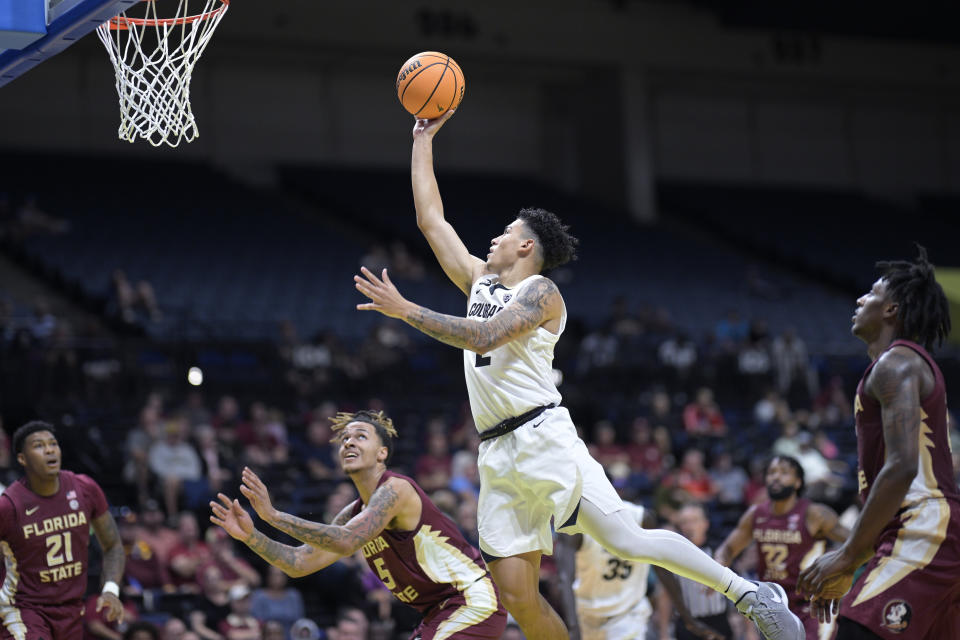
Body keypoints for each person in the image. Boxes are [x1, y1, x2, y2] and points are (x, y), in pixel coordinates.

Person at [350, 109, 804, 640]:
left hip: (542, 438)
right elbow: (432, 219)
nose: (492, 239)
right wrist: (422, 140)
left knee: (626, 540)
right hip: (496, 454)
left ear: (526, 247)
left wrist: (407, 311)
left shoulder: (541, 293)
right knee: (518, 598)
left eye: (504, 233)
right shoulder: (478, 280)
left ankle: (750, 596)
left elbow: (483, 337)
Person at [210, 409, 507, 639]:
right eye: (345, 439)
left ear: (383, 453)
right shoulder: (354, 513)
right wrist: (252, 536)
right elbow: (298, 562)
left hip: (471, 599)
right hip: (436, 613)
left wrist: (274, 516)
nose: (349, 441)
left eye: (360, 436)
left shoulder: (396, 490)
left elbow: (346, 540)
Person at [798, 247, 960, 639]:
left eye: (871, 293)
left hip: (924, 528)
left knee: (854, 631)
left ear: (892, 309)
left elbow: (903, 468)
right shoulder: (901, 365)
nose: (860, 299)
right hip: (927, 533)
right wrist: (856, 561)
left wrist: (847, 556)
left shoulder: (897, 363)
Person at [0, 420, 126, 639]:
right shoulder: (9, 505)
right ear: (22, 459)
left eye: (53, 443)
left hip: (71, 611)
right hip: (23, 610)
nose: (49, 449)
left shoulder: (85, 489)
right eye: (38, 445)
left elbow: (113, 545)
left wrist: (111, 590)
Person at [715, 456, 850, 639]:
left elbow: (855, 542)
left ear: (798, 482)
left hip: (809, 606)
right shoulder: (756, 514)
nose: (776, 477)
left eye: (784, 473)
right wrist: (718, 566)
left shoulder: (815, 513)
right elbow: (728, 549)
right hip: (772, 607)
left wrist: (838, 571)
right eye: (771, 473)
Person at [555, 501, 723, 640]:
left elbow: (662, 568)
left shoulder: (641, 517)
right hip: (587, 614)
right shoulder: (576, 525)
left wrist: (687, 617)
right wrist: (573, 628)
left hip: (629, 614)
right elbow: (564, 579)